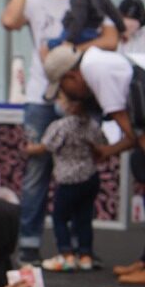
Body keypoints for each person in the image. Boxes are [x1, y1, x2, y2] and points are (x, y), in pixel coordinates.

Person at [1, 0, 120, 263]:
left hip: (82, 96)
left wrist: (65, 53)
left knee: (86, 170)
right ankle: (28, 243)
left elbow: (111, 38)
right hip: (40, 97)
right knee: (37, 171)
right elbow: (10, 20)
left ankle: (82, 249)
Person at [43, 44, 145, 285]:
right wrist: (109, 151)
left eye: (64, 88)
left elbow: (132, 130)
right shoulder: (96, 64)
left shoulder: (95, 70)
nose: (68, 95)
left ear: (71, 75)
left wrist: (113, 150)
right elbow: (133, 133)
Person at [24, 92, 105, 272]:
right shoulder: (92, 125)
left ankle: (66, 254)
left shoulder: (60, 126)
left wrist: (29, 149)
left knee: (60, 218)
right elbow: (101, 145)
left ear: (71, 105)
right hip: (90, 177)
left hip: (68, 179)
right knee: (84, 218)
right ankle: (85, 256)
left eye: (61, 99)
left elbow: (46, 147)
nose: (58, 103)